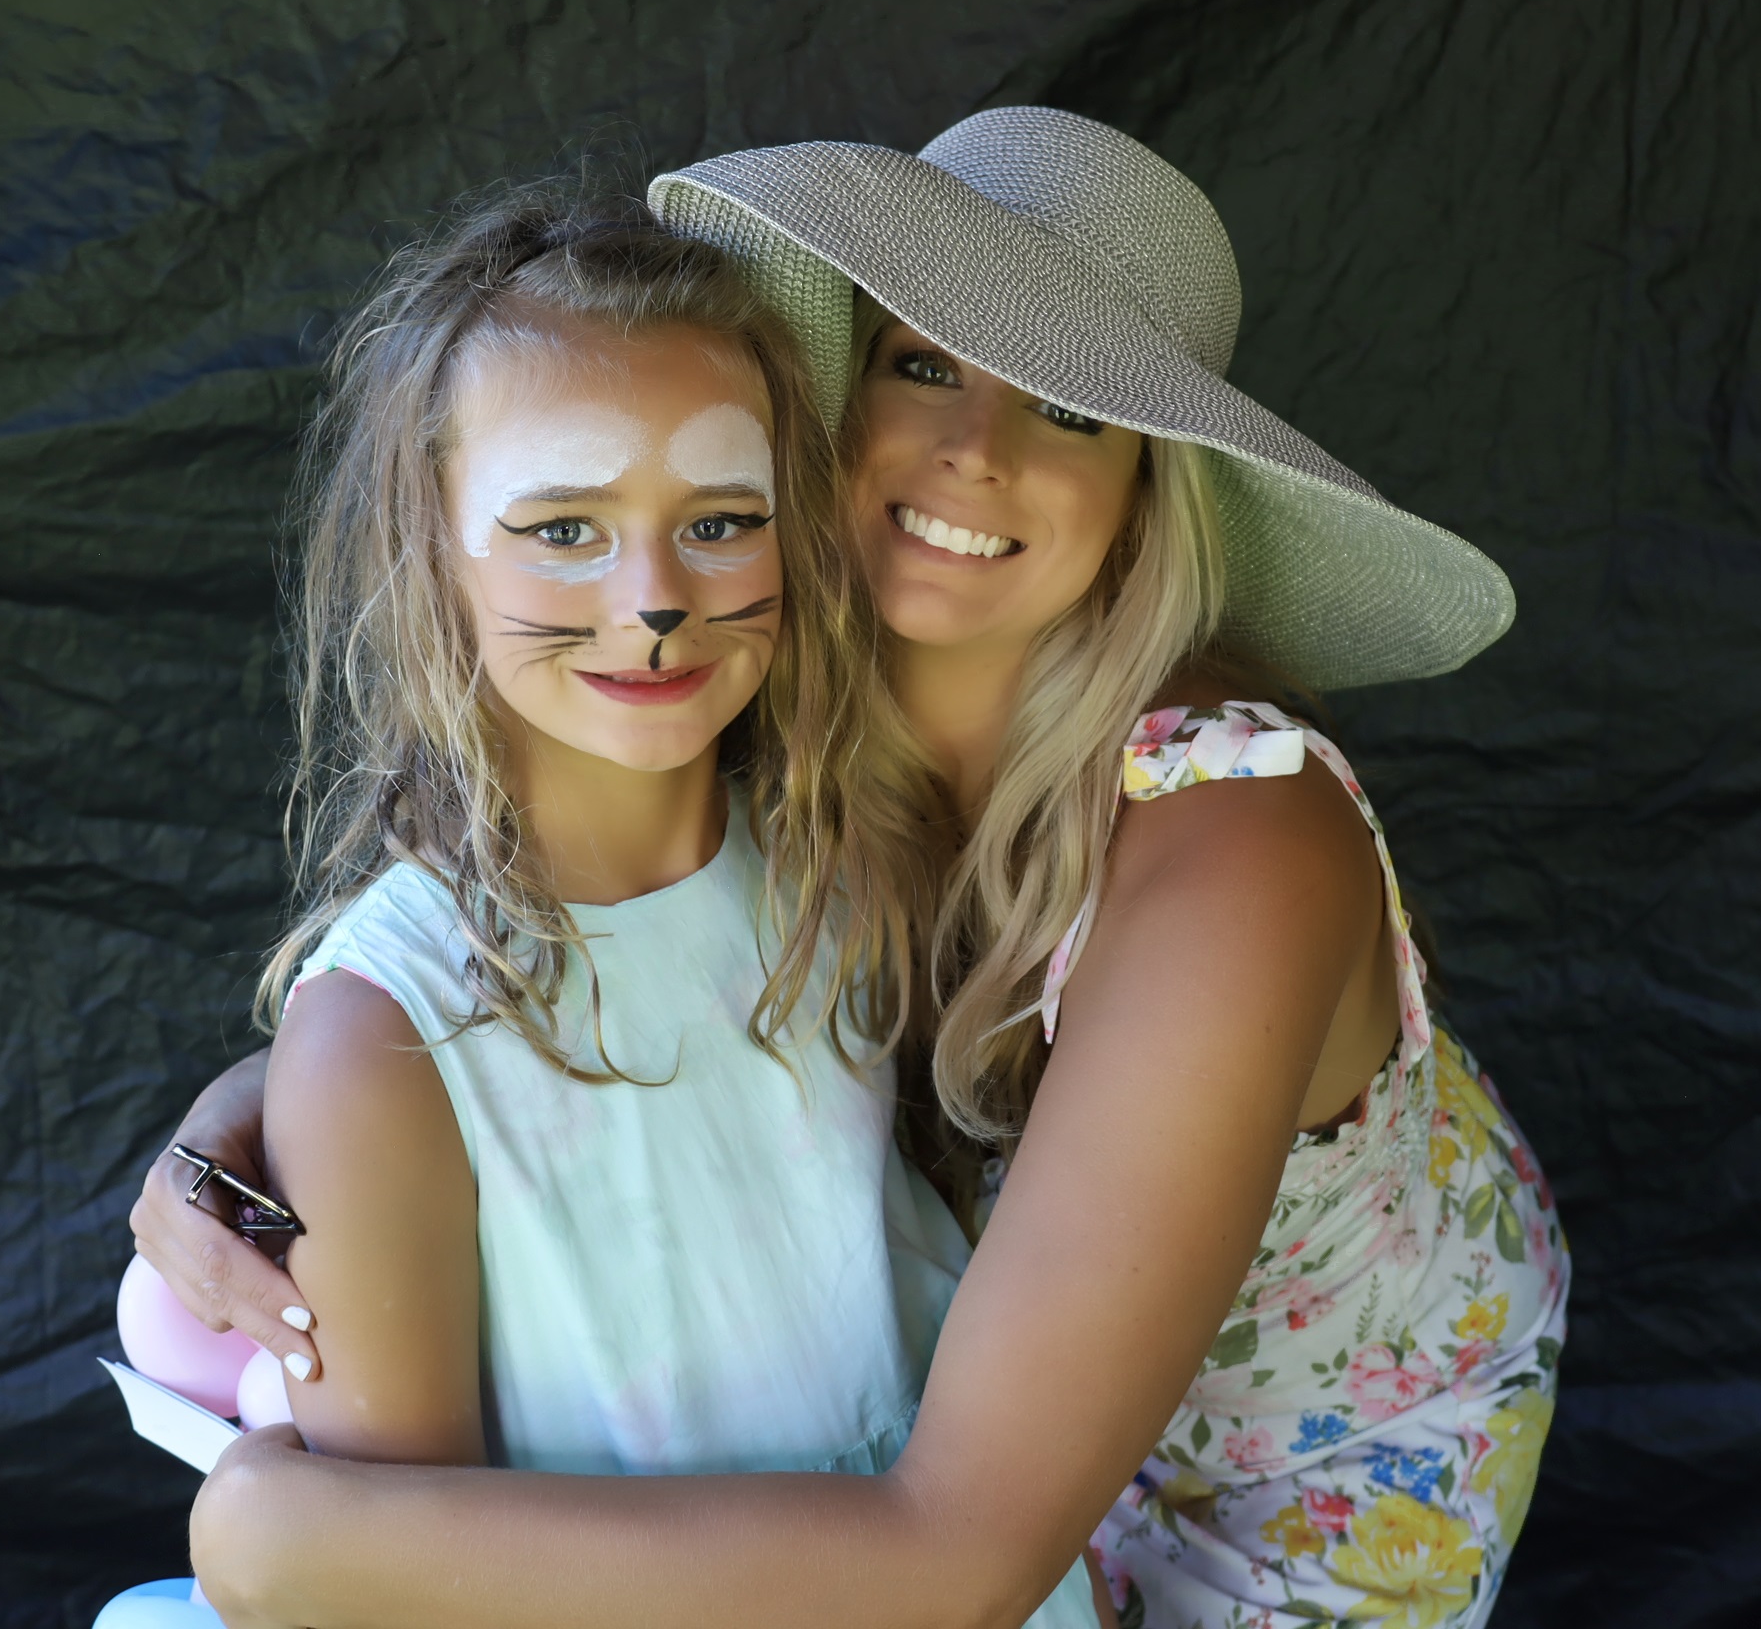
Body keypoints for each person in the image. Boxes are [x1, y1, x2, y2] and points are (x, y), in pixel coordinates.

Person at [138, 109, 1571, 1629]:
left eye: (1072, 411)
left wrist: (303, 1542)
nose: (977, 451)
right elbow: (595, 964)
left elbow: (959, 1562)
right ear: (835, 402)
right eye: (927, 365)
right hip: (950, 1434)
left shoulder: (1241, 843)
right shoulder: (764, 696)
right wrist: (280, 1107)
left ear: (1150, 487)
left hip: (1265, 1509)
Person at [106, 189, 1094, 1626]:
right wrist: (312, 1070)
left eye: (722, 521)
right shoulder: (379, 1040)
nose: (654, 599)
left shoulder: (845, 853)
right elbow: (393, 1582)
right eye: (564, 526)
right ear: (431, 554)